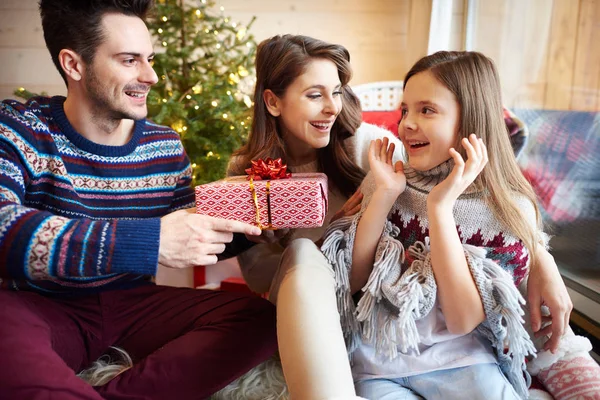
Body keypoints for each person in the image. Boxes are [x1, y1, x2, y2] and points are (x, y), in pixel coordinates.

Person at [228, 36, 572, 400]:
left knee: (550, 342)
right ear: (273, 101)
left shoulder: (369, 147)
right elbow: (262, 277)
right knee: (302, 253)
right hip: (331, 316)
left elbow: (495, 205)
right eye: (315, 95)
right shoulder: (247, 173)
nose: (332, 108)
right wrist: (319, 238)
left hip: (447, 348)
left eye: (338, 91)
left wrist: (540, 257)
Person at [0, 1, 277, 399]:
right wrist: (149, 241)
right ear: (73, 65)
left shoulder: (164, 145)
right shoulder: (17, 128)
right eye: (130, 60)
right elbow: (4, 228)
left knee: (259, 320)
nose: (151, 76)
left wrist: (253, 229)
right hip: (41, 306)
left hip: (135, 306)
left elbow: (186, 238)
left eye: (148, 59)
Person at [321, 51, 588, 400]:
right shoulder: (388, 180)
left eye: (426, 110)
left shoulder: (506, 209)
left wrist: (440, 207)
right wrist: (384, 194)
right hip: (377, 365)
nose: (407, 124)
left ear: (470, 120)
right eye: (405, 110)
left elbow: (463, 320)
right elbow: (354, 283)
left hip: (465, 365)